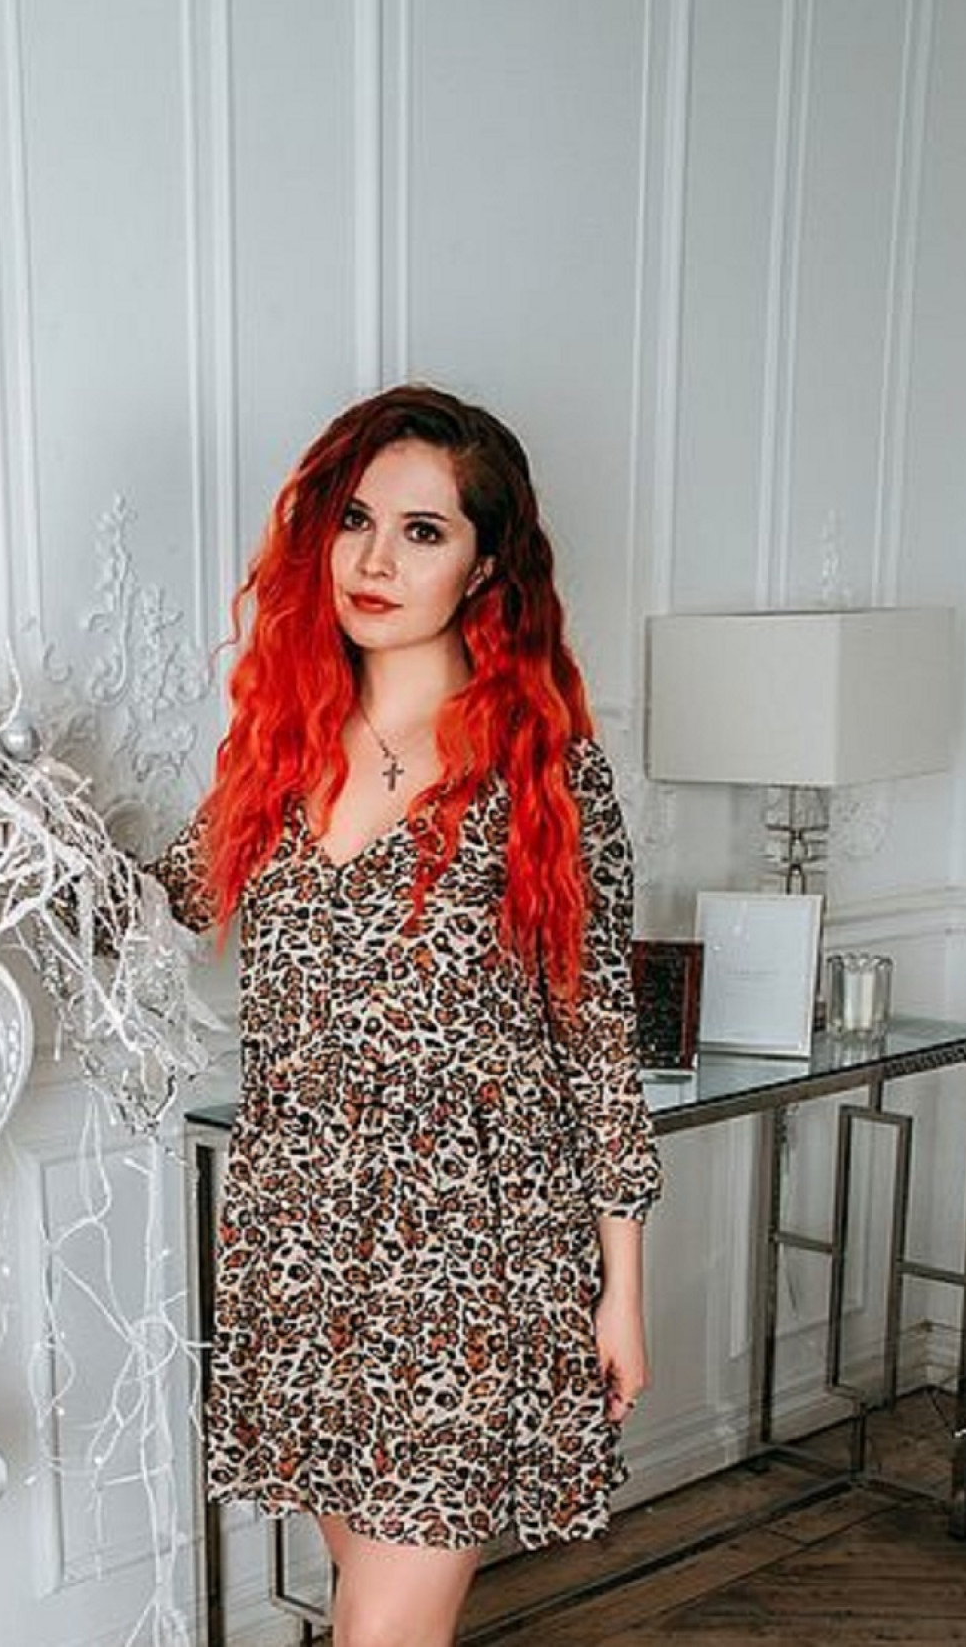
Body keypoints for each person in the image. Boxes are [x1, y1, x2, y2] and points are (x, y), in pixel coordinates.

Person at [148, 385, 662, 1647]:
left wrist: (621, 1289)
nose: (374, 560)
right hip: (299, 1234)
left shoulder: (542, 768)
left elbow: (599, 1040)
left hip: (471, 1245)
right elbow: (148, 901)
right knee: (366, 1607)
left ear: (485, 564)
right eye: (355, 520)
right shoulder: (276, 753)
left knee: (386, 1628)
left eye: (422, 530)